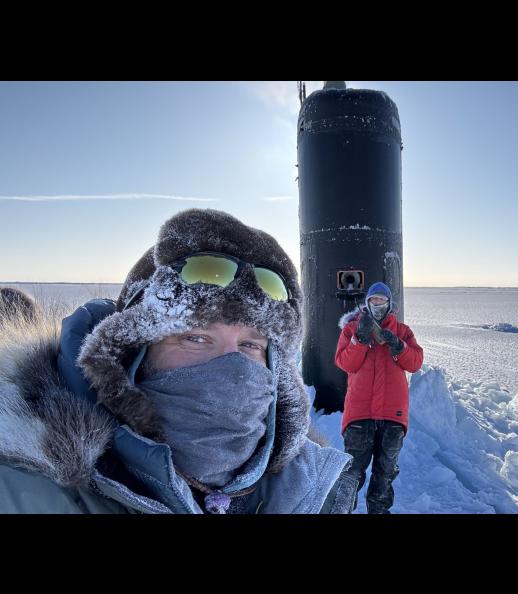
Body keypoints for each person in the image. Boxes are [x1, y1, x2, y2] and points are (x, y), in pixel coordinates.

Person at [0, 208, 357, 514]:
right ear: (129, 358)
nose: (232, 368)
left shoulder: (307, 490)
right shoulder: (26, 489)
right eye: (196, 338)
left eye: (251, 345)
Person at [334, 282, 423, 513]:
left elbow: (415, 363)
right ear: (367, 303)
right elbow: (345, 362)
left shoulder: (402, 331)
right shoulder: (352, 329)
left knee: (384, 476)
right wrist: (360, 341)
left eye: (382, 300)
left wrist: (399, 346)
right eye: (374, 300)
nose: (378, 305)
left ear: (389, 303)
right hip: (359, 415)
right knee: (351, 475)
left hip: (392, 416)